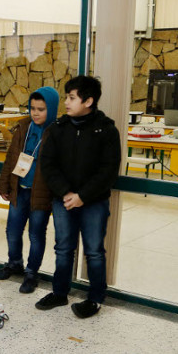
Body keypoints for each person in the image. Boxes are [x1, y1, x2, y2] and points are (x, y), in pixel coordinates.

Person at [37, 75, 121, 319]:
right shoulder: (58, 129)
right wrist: (66, 193)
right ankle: (59, 293)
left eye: (71, 97)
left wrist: (83, 196)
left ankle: (95, 299)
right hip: (63, 200)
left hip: (94, 202)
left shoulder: (106, 130)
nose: (66, 102)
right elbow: (48, 165)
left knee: (94, 251)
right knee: (63, 248)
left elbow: (108, 170)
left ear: (89, 101)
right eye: (67, 97)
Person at [0, 87, 59, 294]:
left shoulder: (57, 133)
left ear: (52, 109)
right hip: (19, 190)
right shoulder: (23, 127)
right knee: (12, 231)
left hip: (41, 194)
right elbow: (11, 159)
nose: (36, 113)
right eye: (32, 108)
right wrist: (4, 185)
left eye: (41, 109)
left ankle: (31, 273)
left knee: (36, 234)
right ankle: (14, 263)